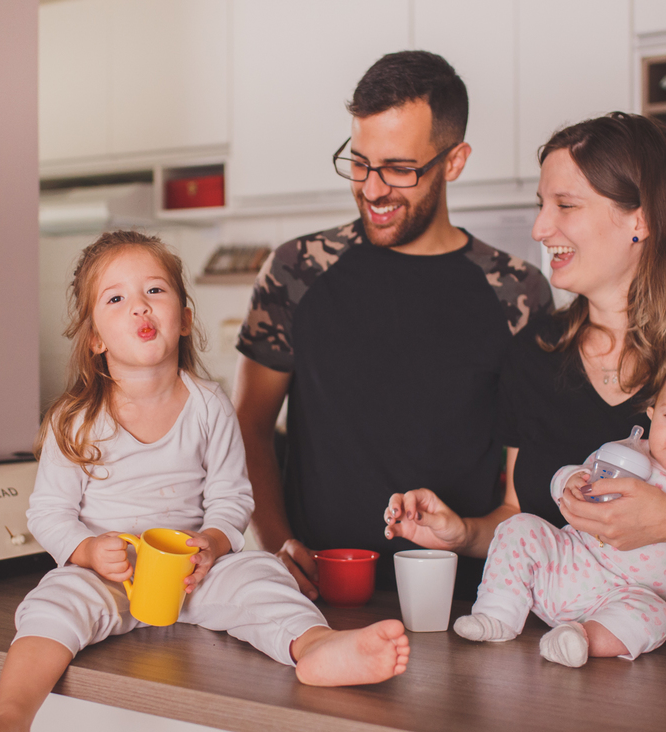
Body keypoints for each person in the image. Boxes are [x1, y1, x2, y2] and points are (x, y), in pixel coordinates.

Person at [0, 231, 409, 732]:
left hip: (195, 577)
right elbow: (46, 513)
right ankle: (12, 723)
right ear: (95, 336)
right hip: (110, 581)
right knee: (52, 604)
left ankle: (316, 647)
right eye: (116, 298)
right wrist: (88, 552)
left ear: (184, 318)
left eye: (155, 290)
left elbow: (232, 497)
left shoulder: (209, 405)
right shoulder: (75, 419)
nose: (139, 305)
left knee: (261, 573)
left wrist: (212, 545)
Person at [384, 112, 666, 636]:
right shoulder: (534, 352)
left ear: (642, 219)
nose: (541, 229)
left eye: (565, 205)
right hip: (551, 663)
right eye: (542, 206)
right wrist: (463, 534)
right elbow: (520, 513)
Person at [234, 51, 553, 600]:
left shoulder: (517, 292)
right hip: (316, 598)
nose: (373, 188)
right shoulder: (295, 270)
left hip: (466, 601)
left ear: (454, 161)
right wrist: (274, 543)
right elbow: (248, 426)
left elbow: (524, 487)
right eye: (359, 162)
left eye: (400, 169)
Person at [446, 355, 666, 667]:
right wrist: (568, 481)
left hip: (630, 593)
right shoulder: (629, 453)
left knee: (657, 618)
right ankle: (496, 618)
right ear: (651, 414)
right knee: (520, 526)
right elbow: (580, 474)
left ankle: (581, 639)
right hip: (570, 560)